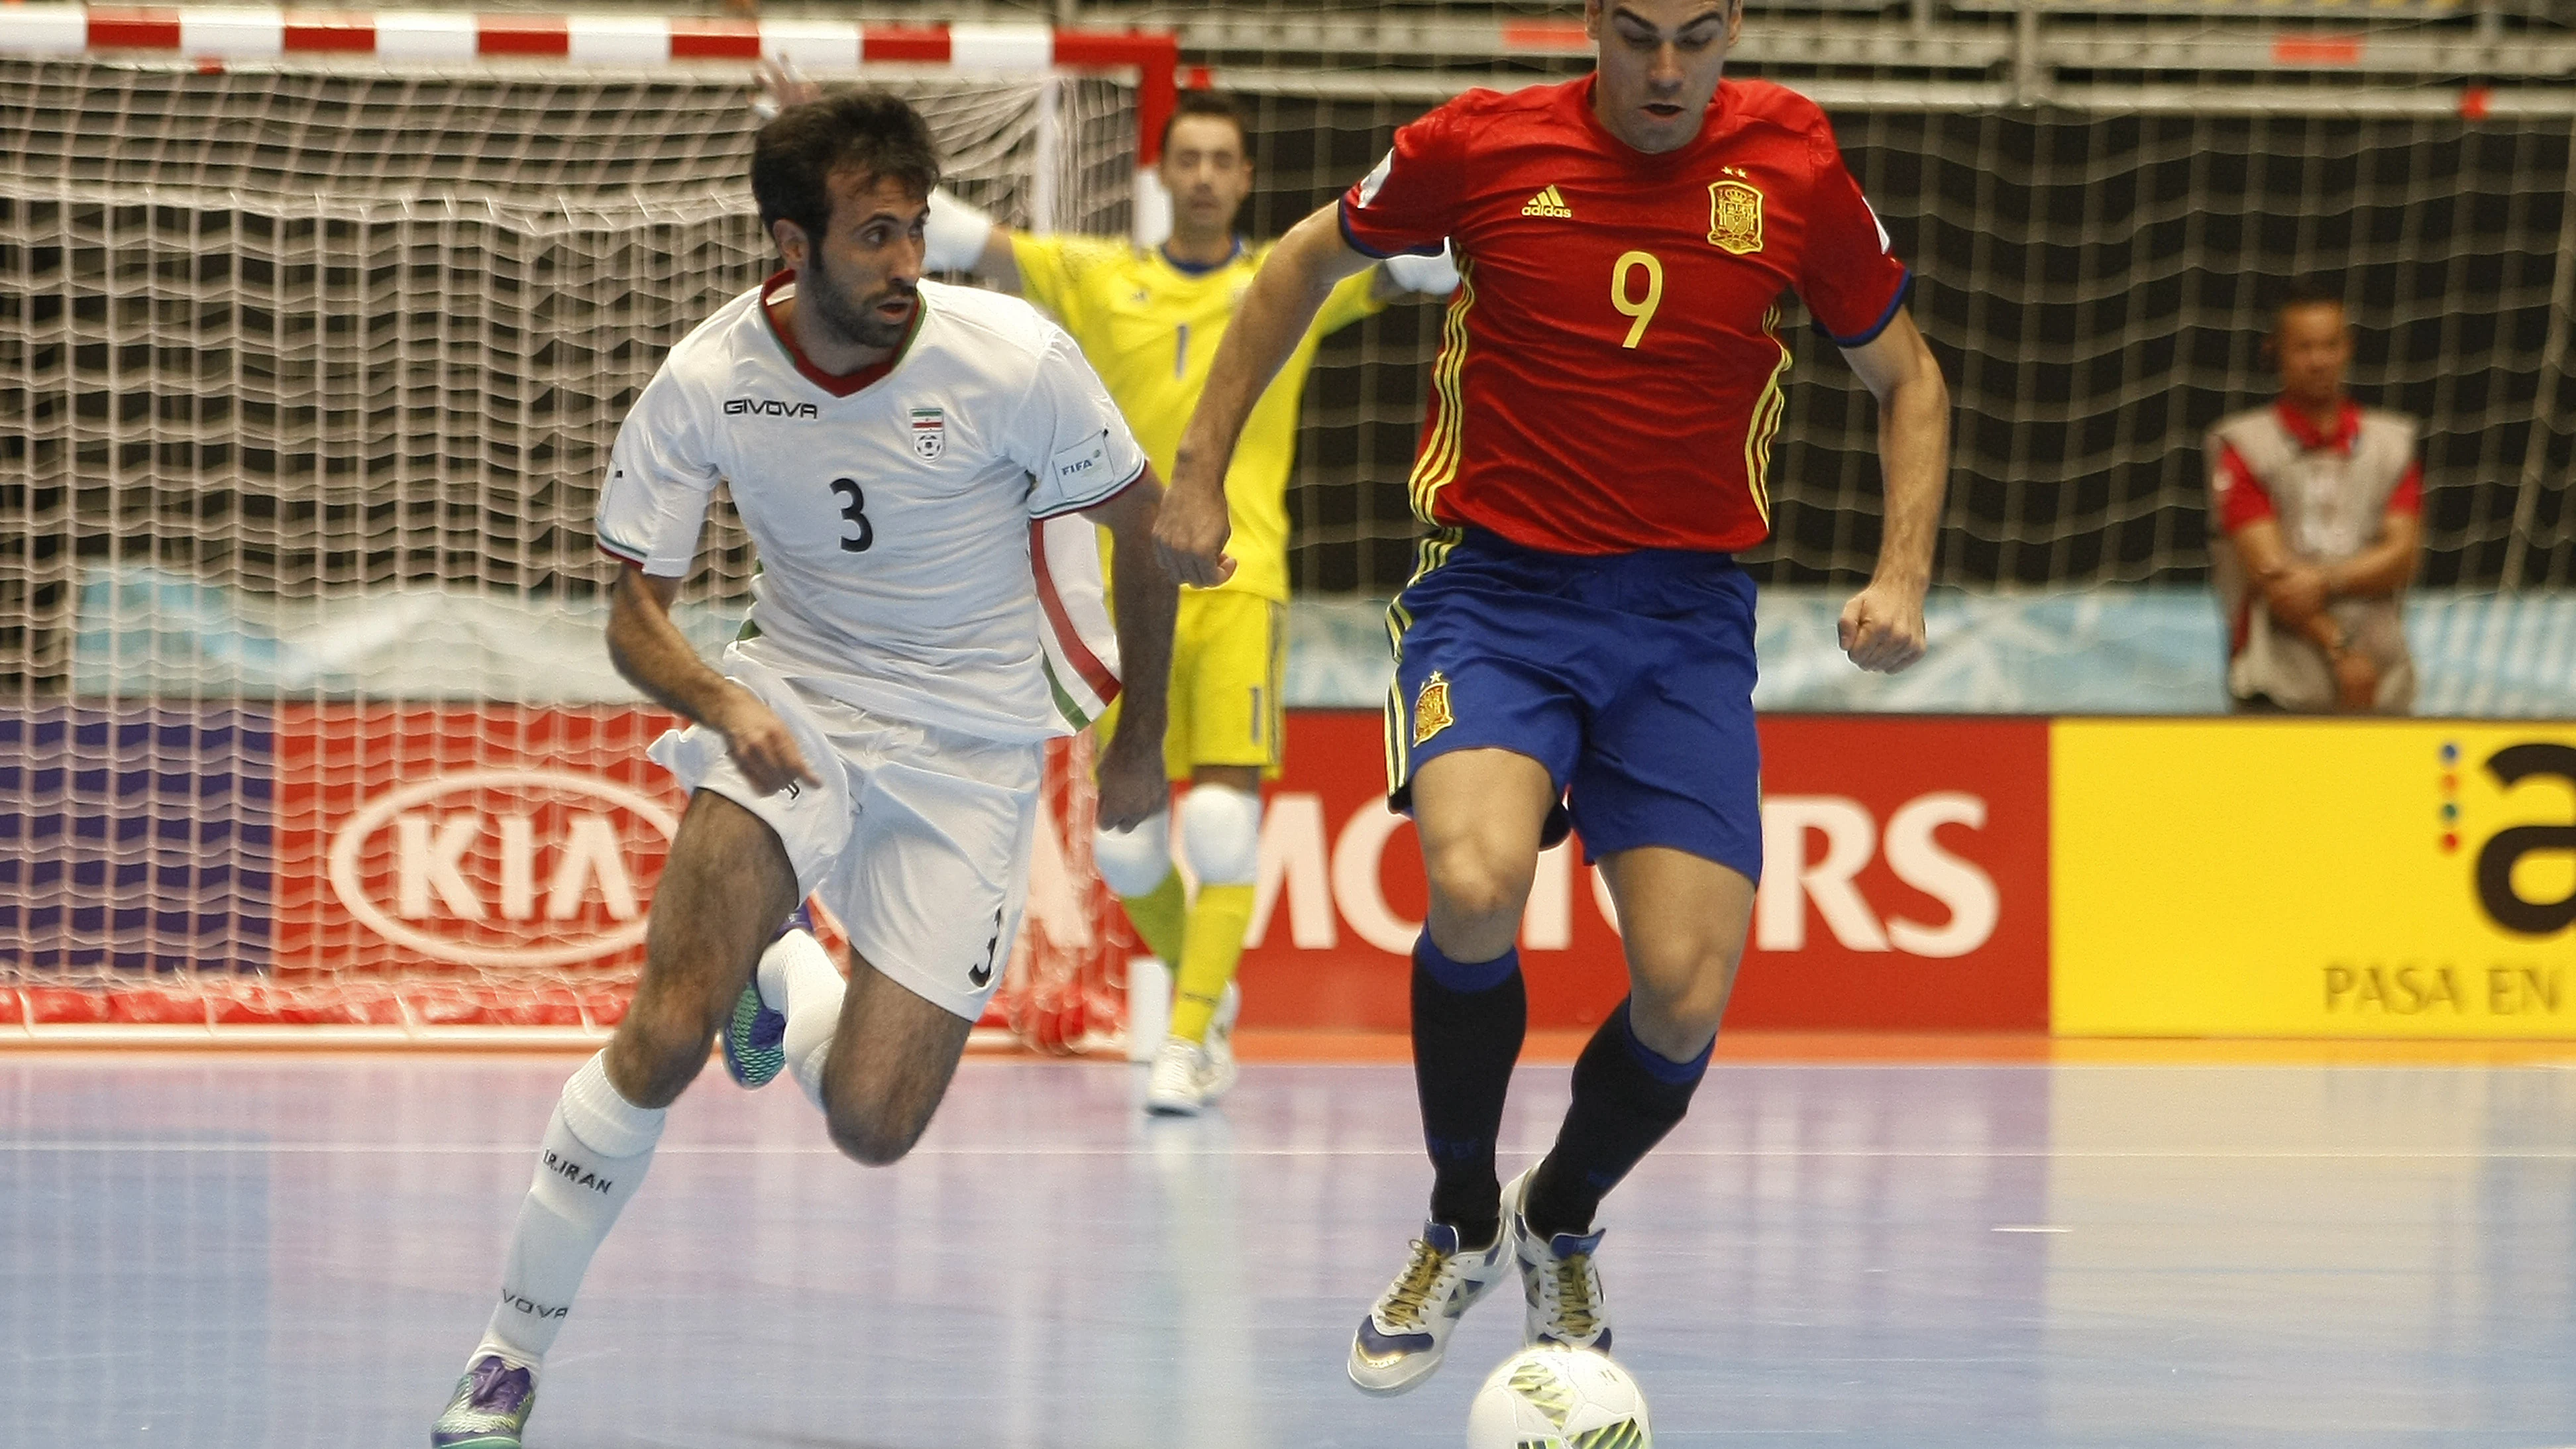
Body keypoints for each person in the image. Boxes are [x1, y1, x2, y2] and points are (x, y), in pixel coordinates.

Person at [1156, 0, 1951, 1396]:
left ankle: (1559, 1211)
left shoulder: (1795, 168)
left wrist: (1902, 573)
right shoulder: (1481, 145)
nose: (1664, 71)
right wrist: (1199, 468)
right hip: (1496, 593)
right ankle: (1461, 1217)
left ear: (1733, 32)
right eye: (1638, 35)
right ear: (1593, 26)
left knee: (1684, 996)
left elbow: (1908, 377)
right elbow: (1294, 265)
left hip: (1684, 620)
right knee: (1472, 878)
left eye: (1696, 40)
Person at [429, 90, 1179, 1448]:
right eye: (873, 234)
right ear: (792, 242)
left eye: (917, 230)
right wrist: (723, 699)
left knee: (875, 1121)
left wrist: (1142, 737)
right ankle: (506, 1355)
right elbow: (632, 612)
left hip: (978, 744)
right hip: (796, 704)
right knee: (661, 1030)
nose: (905, 263)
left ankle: (792, 968)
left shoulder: (1014, 360)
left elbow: (1156, 530)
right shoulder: (708, 380)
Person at [921, 89, 1459, 1114]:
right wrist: (829, 135)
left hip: (1241, 584)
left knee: (1219, 826)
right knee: (1126, 847)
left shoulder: (1287, 281)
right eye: (1191, 159)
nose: (1207, 176)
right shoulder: (1097, 275)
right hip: (1125, 588)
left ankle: (1187, 1033)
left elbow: (1413, 266)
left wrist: (1461, 197)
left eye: (1225, 160)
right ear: (1163, 178)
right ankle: (1207, 997)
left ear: (1247, 178)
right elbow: (954, 233)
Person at [2208, 280, 2423, 713]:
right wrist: (2340, 647)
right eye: (2304, 347)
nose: (2319, 361)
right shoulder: (2244, 445)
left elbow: (2402, 555)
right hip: (2278, 683)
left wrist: (2324, 580)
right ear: (2275, 352)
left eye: (2330, 345)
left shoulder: (2391, 443)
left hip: (2382, 676)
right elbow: (2274, 577)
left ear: (2348, 347)